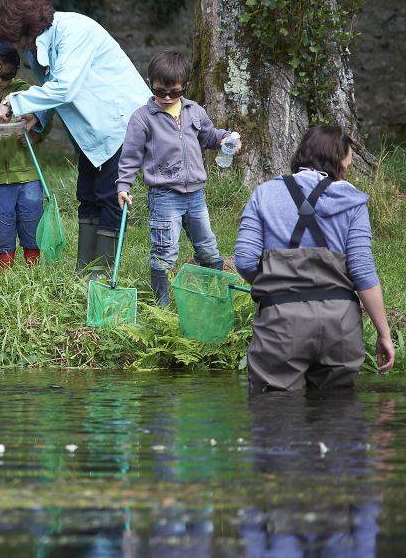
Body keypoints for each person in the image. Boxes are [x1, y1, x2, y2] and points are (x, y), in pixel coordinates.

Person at [0, 0, 150, 273]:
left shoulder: (75, 30)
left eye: (15, 39)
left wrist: (13, 101)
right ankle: (84, 270)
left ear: (25, 27)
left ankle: (100, 276)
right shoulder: (37, 46)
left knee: (109, 196)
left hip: (121, 120)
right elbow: (53, 87)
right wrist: (37, 118)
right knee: (87, 195)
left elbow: (65, 87)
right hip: (92, 127)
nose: (15, 47)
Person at [234, 124, 395, 391]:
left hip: (280, 322)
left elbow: (244, 260)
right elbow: (363, 272)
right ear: (337, 161)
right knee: (336, 419)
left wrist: (274, 283)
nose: (348, 168)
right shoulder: (353, 201)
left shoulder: (264, 194)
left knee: (276, 416)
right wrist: (384, 333)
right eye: (348, 163)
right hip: (340, 325)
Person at [116, 51, 240, 306]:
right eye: (160, 91)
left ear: (185, 86)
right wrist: (123, 185)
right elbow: (130, 155)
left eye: (174, 91)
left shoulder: (195, 111)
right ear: (150, 83)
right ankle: (161, 305)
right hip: (164, 195)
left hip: (196, 194)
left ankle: (213, 295)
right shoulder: (143, 118)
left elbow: (208, 137)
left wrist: (226, 138)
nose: (167, 97)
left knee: (207, 245)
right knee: (165, 250)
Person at [0, 41, 48, 269]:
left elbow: (44, 120)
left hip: (26, 173)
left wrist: (35, 136)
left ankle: (34, 272)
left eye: (9, 75)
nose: (3, 81)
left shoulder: (25, 92)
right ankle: (6, 272)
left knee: (32, 222)